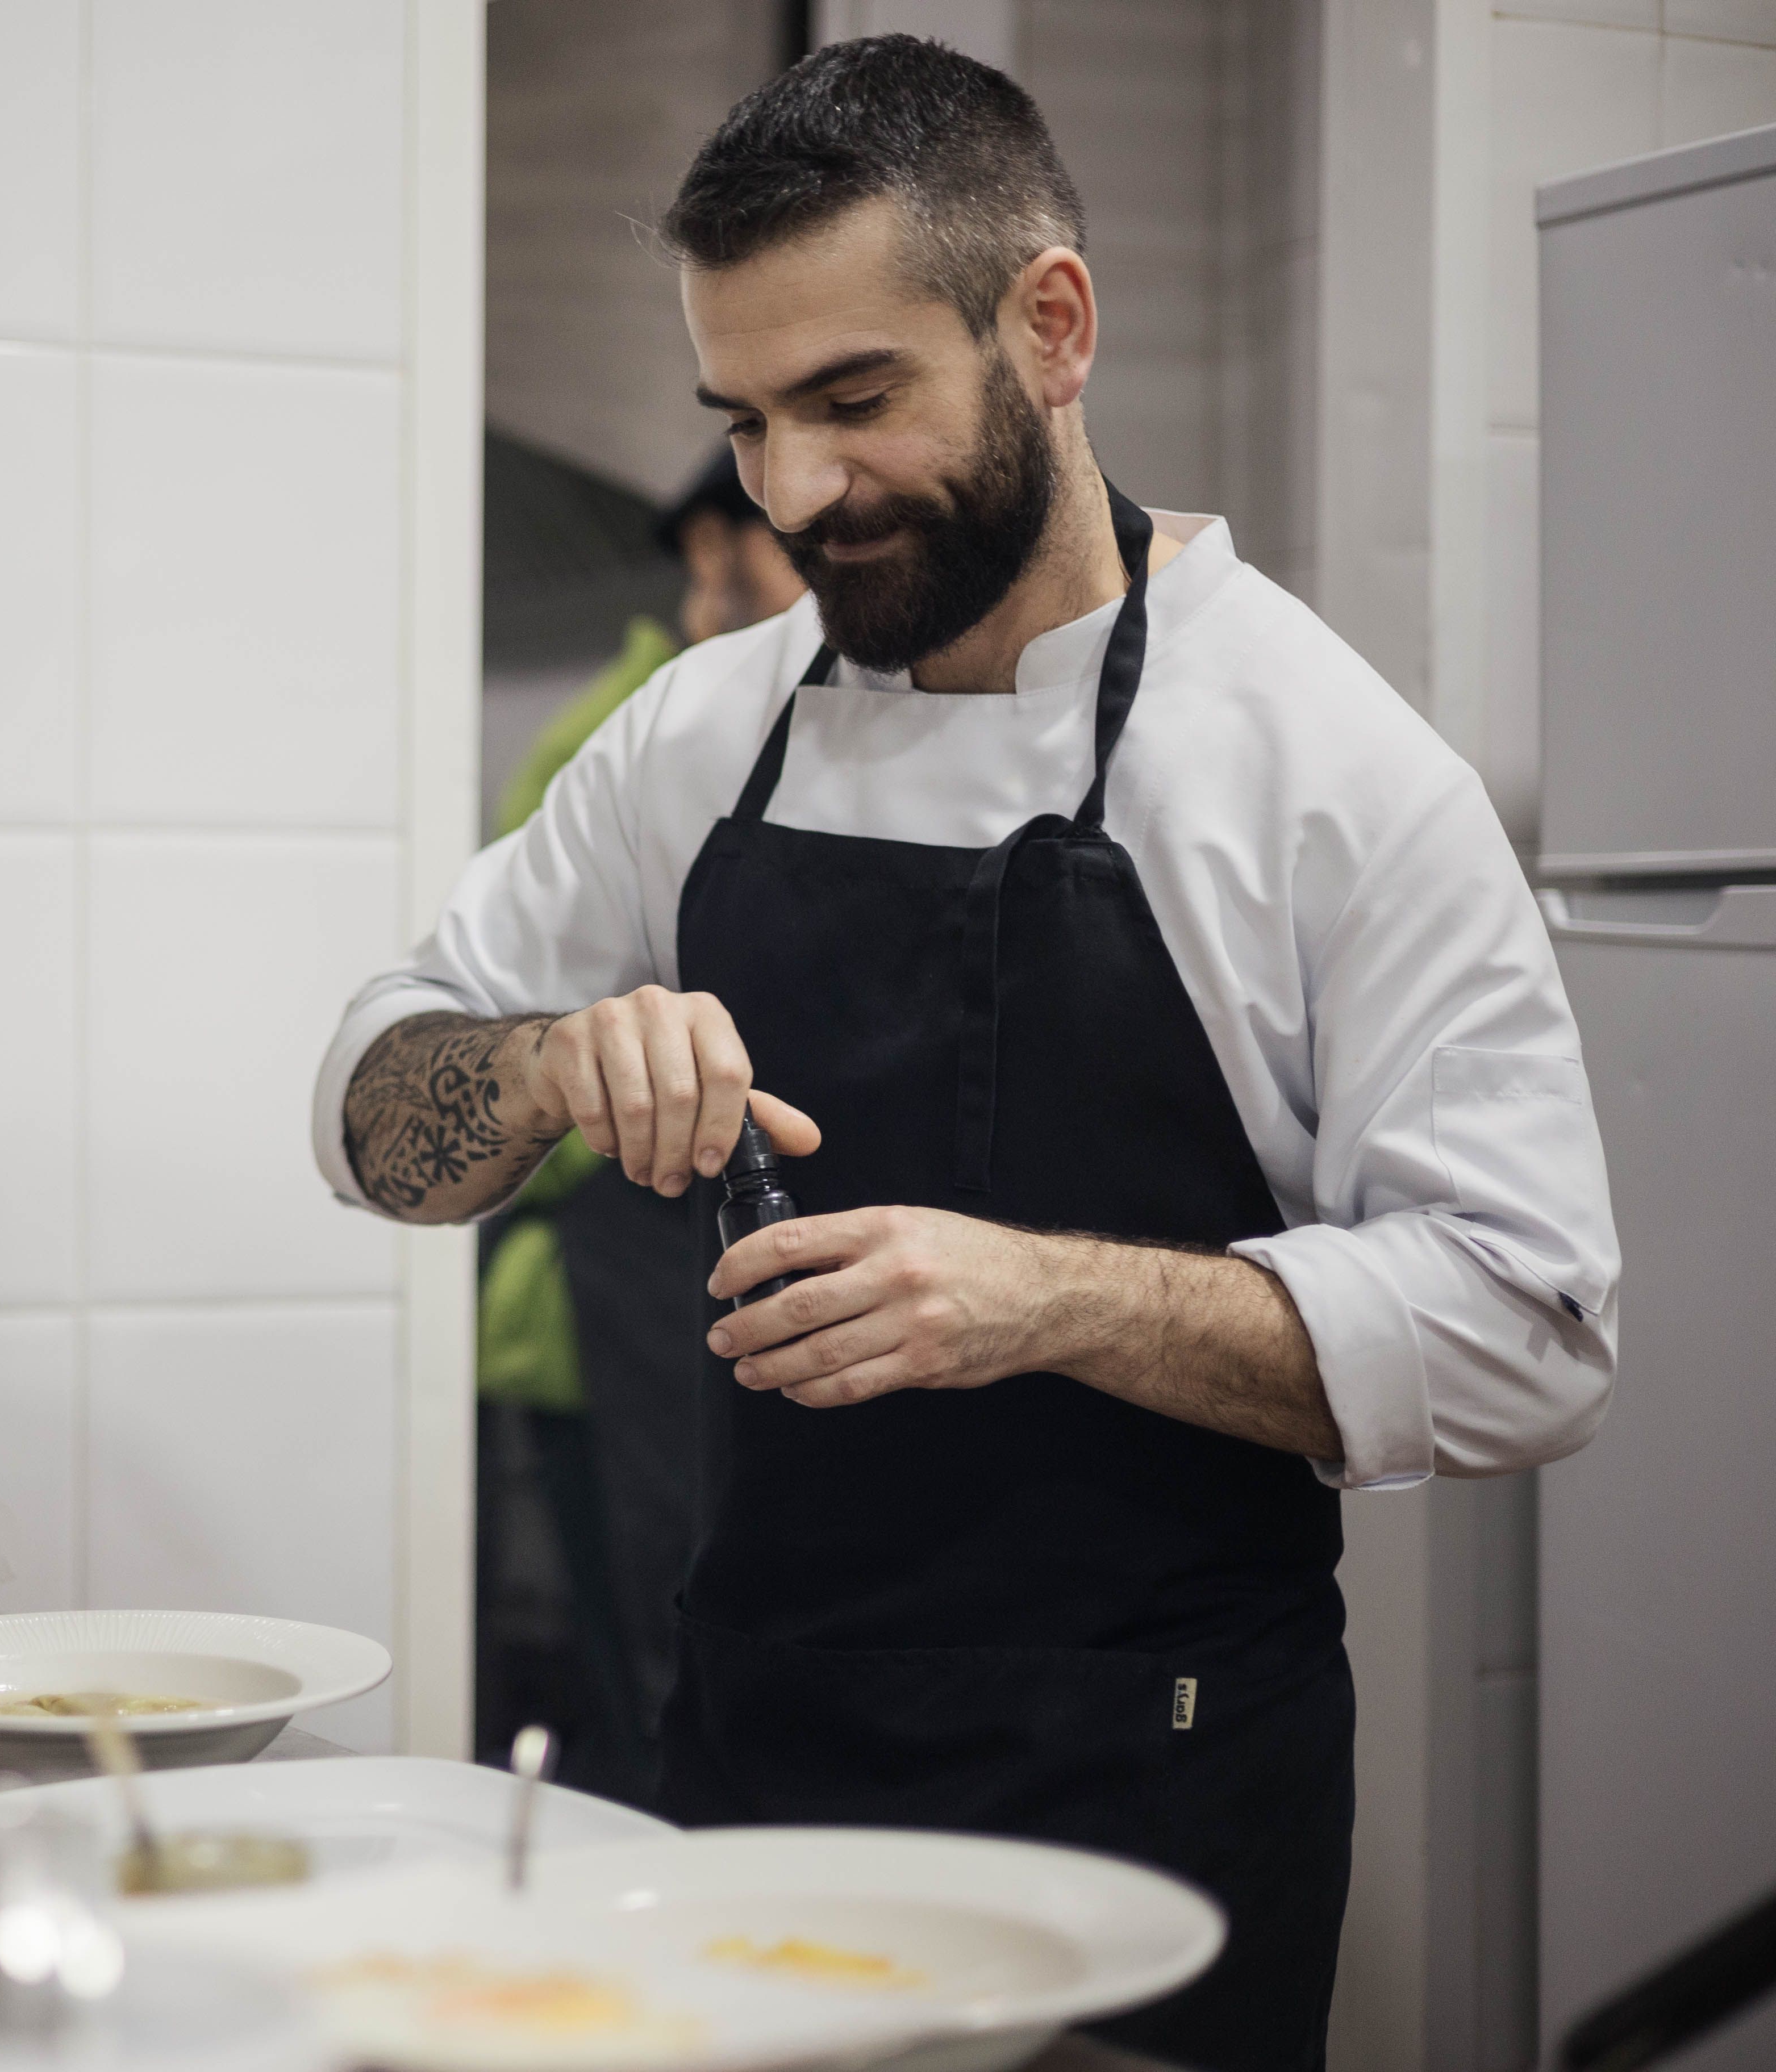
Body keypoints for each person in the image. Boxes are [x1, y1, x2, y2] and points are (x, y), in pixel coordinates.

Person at [314, 39, 1616, 2072]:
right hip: (757, 1763)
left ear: (1053, 325)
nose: (796, 491)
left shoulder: (1326, 767)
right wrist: (559, 1059)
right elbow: (371, 1119)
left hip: (1155, 1796)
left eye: (854, 401)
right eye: (745, 422)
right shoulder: (703, 732)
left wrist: (1044, 1295)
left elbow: (1535, 1322)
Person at [474, 450, 803, 1804]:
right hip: (610, 1296)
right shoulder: (633, 731)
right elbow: (507, 1038)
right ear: (713, 555)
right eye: (789, 542)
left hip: (711, 1283)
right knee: (655, 1685)